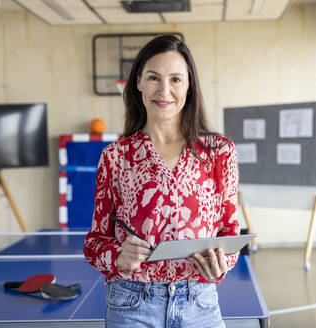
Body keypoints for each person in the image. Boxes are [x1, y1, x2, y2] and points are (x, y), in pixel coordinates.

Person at [84, 34, 240, 328]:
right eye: (154, 78)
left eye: (176, 80)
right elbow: (94, 244)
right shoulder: (116, 156)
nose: (164, 90)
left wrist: (222, 265)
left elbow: (229, 231)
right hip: (131, 304)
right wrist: (118, 256)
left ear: (189, 85)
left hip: (200, 303)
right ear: (138, 83)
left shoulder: (220, 152)